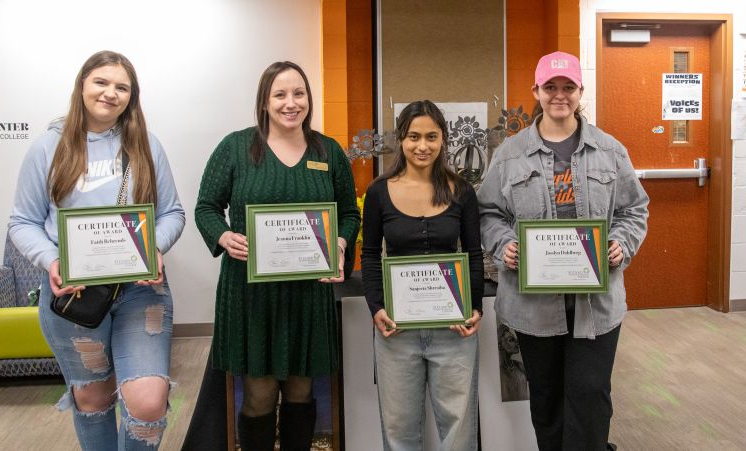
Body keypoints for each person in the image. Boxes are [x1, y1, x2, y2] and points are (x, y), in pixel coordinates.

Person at [8, 50, 185, 450]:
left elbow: (172, 213)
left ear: (132, 97)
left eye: (122, 87)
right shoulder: (48, 146)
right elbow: (22, 222)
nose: (110, 93)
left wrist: (154, 247)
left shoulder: (145, 146)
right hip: (74, 296)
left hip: (141, 292)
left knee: (149, 401)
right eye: (101, 82)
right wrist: (51, 261)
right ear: (82, 85)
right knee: (93, 397)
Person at [477, 51, 649, 451]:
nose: (559, 95)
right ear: (536, 91)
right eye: (550, 87)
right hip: (533, 305)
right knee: (548, 398)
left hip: (598, 304)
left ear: (579, 91)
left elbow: (634, 208)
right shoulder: (510, 154)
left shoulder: (610, 150)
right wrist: (504, 247)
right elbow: (488, 212)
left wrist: (621, 244)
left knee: (590, 394)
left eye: (567, 87)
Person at [194, 61, 360, 451]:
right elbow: (206, 207)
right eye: (280, 95)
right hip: (252, 294)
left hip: (308, 293)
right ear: (264, 101)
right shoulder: (235, 147)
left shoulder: (328, 151)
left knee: (302, 390)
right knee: (259, 393)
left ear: (309, 99)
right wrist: (223, 236)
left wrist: (338, 243)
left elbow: (349, 214)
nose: (291, 103)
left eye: (298, 93)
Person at [361, 100, 483, 450]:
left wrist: (475, 309)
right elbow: (370, 255)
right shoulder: (378, 192)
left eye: (431, 136)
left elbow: (473, 253)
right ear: (400, 139)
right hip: (396, 331)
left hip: (454, 331)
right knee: (399, 433)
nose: (422, 146)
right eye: (413, 136)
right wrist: (376, 307)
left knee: (459, 433)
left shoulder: (461, 190)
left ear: (444, 139)